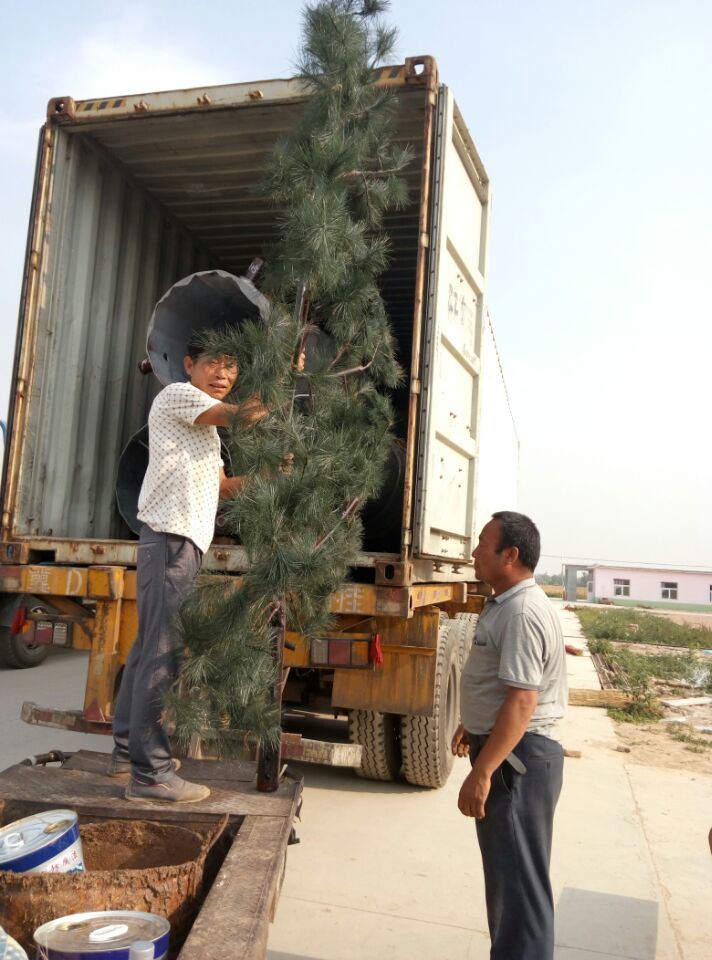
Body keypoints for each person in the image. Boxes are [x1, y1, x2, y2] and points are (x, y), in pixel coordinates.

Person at [109, 333, 271, 803]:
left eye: (233, 367)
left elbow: (222, 486)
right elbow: (246, 414)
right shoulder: (178, 396)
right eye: (214, 363)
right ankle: (151, 774)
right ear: (189, 364)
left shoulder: (206, 428)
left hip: (178, 542)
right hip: (171, 538)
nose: (223, 374)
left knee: (146, 649)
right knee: (162, 653)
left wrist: (269, 477)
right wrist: (279, 378)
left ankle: (126, 754)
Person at [452, 511, 567, 960]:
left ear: (510, 555)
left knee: (521, 897)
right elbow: (503, 687)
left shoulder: (520, 611)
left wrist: (483, 771)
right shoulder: (506, 602)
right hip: (511, 754)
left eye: (483, 542)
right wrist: (474, 722)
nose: (475, 552)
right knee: (508, 888)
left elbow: (522, 702)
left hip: (518, 763)